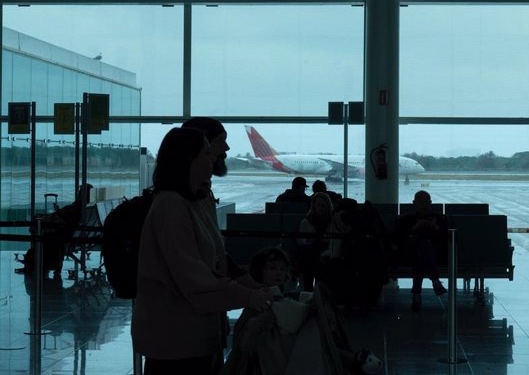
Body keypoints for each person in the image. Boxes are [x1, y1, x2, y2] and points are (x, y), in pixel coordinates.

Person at [131, 127, 272, 375]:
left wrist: (248, 284)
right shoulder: (171, 206)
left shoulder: (195, 200)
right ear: (188, 159)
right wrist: (248, 297)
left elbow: (212, 262)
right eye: (207, 153)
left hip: (197, 337)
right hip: (176, 344)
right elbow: (194, 277)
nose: (215, 157)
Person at [225, 246, 383, 375]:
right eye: (273, 268)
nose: (278, 272)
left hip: (277, 342)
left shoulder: (275, 294)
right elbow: (287, 318)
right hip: (271, 347)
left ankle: (352, 361)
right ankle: (352, 361)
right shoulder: (263, 296)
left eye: (282, 269)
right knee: (313, 338)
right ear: (260, 271)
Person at [181, 117, 246, 279]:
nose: (227, 148)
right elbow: (189, 273)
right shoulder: (175, 203)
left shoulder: (203, 195)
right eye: (220, 141)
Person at [396, 190, 448, 311]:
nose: (423, 205)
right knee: (423, 247)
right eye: (421, 202)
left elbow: (447, 239)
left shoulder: (440, 219)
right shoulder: (405, 219)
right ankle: (435, 280)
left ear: (430, 203)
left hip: (431, 255)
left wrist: (435, 227)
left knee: (422, 249)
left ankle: (417, 294)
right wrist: (414, 228)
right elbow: (398, 238)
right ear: (414, 203)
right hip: (413, 254)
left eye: (426, 202)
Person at [297, 192, 333, 291]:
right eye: (318, 205)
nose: (320, 208)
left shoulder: (332, 222)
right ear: (314, 206)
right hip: (312, 253)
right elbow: (301, 242)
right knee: (310, 253)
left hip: (324, 252)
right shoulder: (306, 222)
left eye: (323, 205)